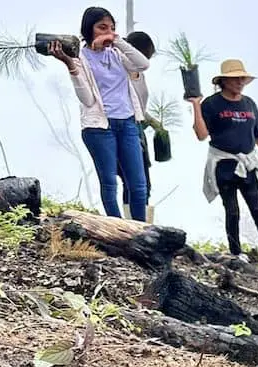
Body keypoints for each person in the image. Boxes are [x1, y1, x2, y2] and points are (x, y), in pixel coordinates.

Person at [50, 6, 150, 221]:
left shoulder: (117, 53)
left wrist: (117, 40)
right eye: (102, 27)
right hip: (99, 128)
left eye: (112, 28)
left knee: (139, 185)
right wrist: (70, 65)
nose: (108, 32)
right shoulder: (80, 57)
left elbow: (143, 64)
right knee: (109, 183)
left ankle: (141, 231)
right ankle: (116, 229)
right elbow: (87, 99)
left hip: (128, 123)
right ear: (89, 29)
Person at [189, 59, 258, 261]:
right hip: (224, 163)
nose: (240, 82)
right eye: (235, 79)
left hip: (248, 163)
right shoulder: (212, 104)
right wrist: (196, 106)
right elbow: (201, 134)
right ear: (224, 81)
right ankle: (236, 253)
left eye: (242, 79)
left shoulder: (249, 104)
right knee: (232, 210)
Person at [117, 30, 159, 222]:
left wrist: (152, 122)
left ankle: (143, 224)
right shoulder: (120, 70)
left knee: (144, 184)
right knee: (130, 182)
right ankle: (131, 225)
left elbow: (138, 104)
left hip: (137, 131)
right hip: (123, 130)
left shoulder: (139, 74)